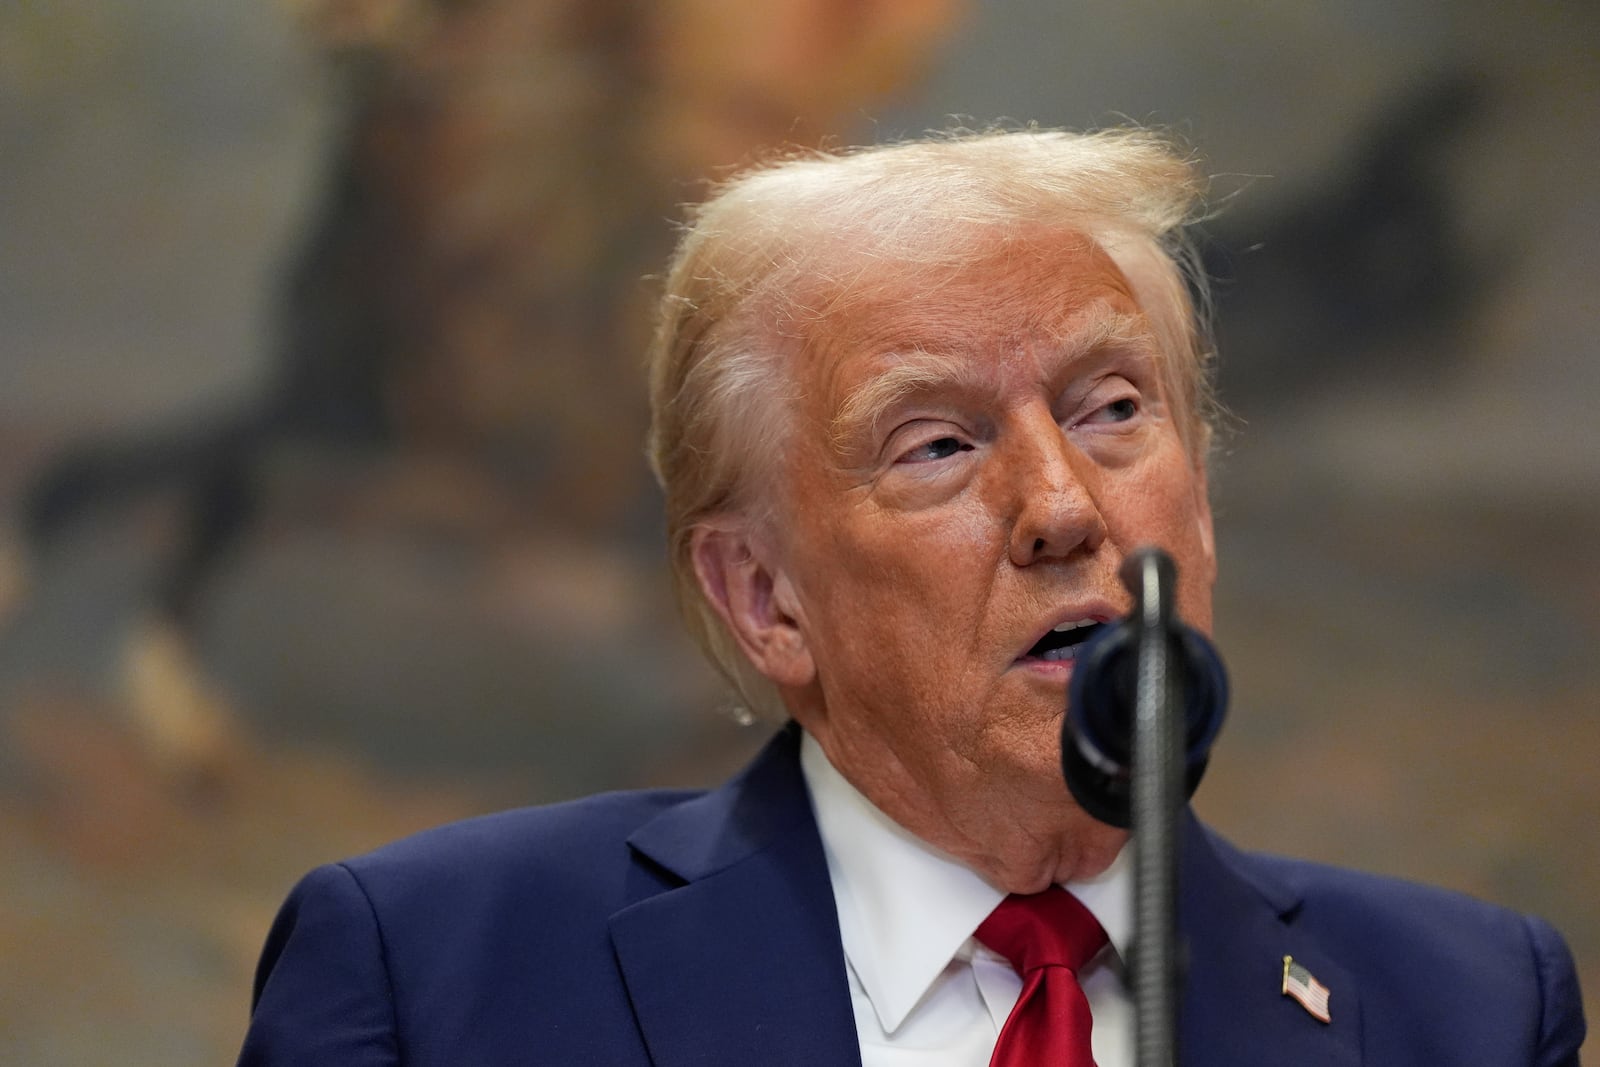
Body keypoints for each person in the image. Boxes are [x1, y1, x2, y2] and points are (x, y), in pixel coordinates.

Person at [236, 128, 1586, 1065]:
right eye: (937, 444)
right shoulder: (438, 975)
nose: (1064, 507)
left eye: (1114, 410)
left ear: (1204, 511)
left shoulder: (1464, 1012)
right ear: (763, 596)